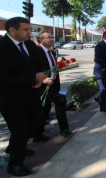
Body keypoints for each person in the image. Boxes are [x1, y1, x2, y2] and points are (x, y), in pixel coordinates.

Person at [0, 17, 50, 176]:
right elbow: (4, 78)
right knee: (20, 130)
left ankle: (15, 146)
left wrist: (39, 78)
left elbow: (39, 63)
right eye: (26, 29)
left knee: (37, 122)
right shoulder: (2, 47)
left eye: (30, 29)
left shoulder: (29, 44)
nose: (30, 32)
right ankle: (15, 164)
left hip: (31, 93)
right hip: (10, 98)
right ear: (12, 30)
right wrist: (32, 78)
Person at [36, 31, 72, 137]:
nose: (52, 39)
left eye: (53, 37)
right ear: (41, 39)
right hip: (42, 85)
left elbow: (52, 66)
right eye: (49, 37)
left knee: (48, 107)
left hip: (54, 83)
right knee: (58, 101)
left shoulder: (51, 52)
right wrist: (42, 79)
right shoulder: (36, 51)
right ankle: (62, 129)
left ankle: (39, 133)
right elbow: (32, 68)